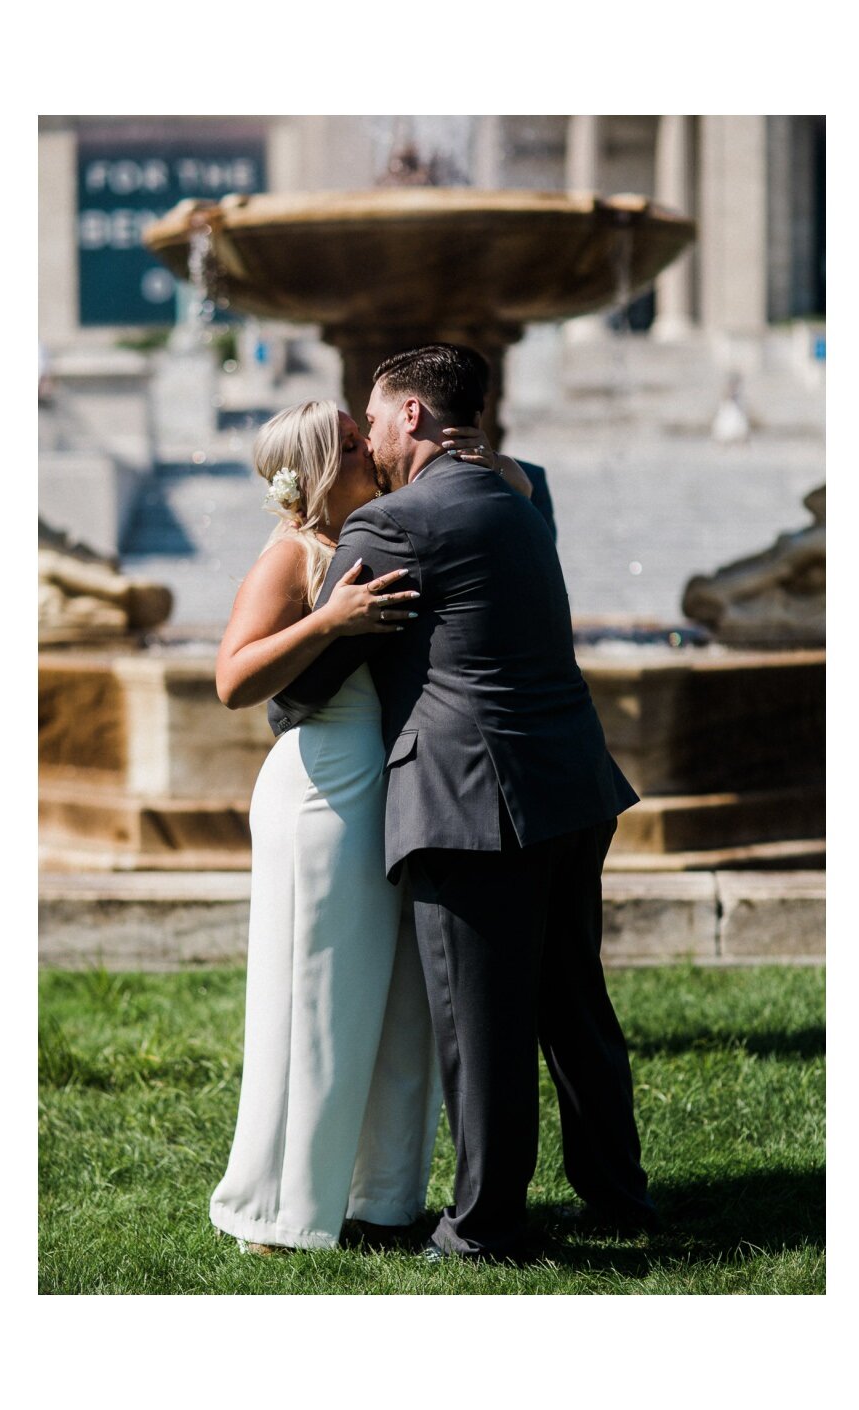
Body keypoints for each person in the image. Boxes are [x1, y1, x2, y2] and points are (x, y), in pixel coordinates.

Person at [271, 343, 654, 1261]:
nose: (366, 435)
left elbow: (302, 692)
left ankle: (484, 1226)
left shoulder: (391, 526)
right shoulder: (525, 497)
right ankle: (618, 1194)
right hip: (571, 782)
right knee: (575, 1011)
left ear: (412, 415)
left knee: (481, 1028)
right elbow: (525, 485)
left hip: (472, 804)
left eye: (374, 416)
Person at [208, 399, 480, 1252]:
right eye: (360, 445)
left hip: (393, 790)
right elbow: (233, 679)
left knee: (398, 1000)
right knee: (313, 999)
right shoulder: (290, 557)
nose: (377, 452)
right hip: (319, 792)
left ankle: (385, 1203)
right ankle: (279, 1212)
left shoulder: (381, 536)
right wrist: (329, 619)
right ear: (324, 464)